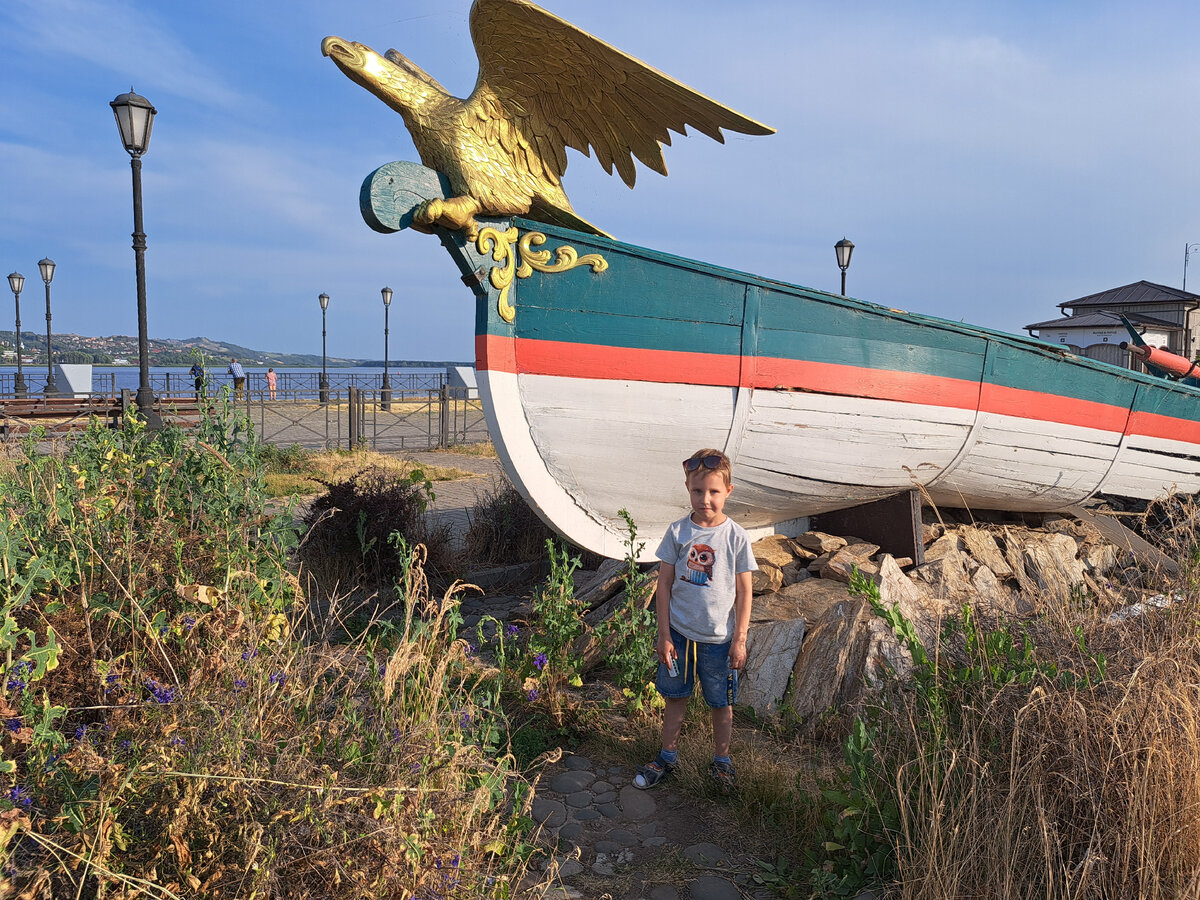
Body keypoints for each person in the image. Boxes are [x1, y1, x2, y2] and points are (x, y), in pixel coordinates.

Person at [634, 448, 757, 793]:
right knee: (676, 697)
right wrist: (663, 635)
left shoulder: (736, 537)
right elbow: (664, 585)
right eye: (697, 491)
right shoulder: (677, 532)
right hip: (679, 635)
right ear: (688, 489)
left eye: (714, 491)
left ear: (728, 491)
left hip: (719, 641)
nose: (705, 499)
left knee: (721, 703)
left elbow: (745, 592)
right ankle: (667, 756)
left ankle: (722, 761)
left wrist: (740, 639)